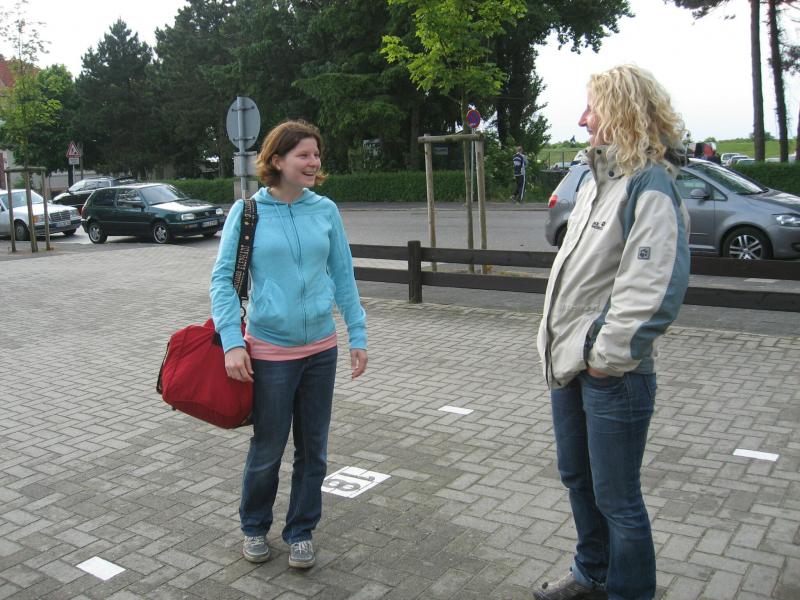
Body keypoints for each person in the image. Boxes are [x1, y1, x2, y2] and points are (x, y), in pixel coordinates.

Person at [535, 65, 690, 600]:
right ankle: (592, 573)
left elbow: (654, 287)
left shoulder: (650, 184)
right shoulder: (597, 180)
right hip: (569, 363)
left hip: (612, 373)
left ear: (623, 111)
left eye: (592, 108)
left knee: (619, 500)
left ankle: (628, 591)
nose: (583, 119)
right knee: (578, 479)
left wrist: (605, 356)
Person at [210, 120, 368, 569]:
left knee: (313, 450)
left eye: (316, 154)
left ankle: (301, 531)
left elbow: (343, 276)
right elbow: (223, 281)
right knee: (268, 448)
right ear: (277, 161)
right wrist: (231, 342)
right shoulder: (248, 213)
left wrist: (357, 333)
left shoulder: (326, 210)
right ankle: (254, 526)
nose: (313, 162)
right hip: (270, 352)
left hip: (320, 349)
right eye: (304, 155)